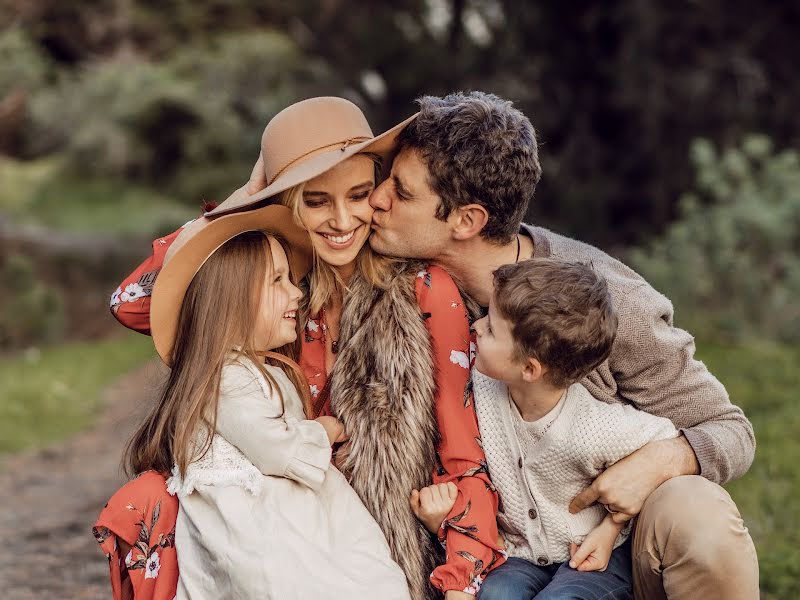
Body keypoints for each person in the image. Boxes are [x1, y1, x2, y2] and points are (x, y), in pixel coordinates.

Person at [101, 97, 505, 600]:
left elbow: (463, 453)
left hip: (372, 527)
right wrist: (243, 200)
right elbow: (132, 303)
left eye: (358, 195)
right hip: (274, 519)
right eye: (316, 201)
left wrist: (460, 578)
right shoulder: (270, 291)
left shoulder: (423, 289)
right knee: (146, 500)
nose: (341, 220)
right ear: (288, 203)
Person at [365, 91, 759, 599]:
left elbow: (731, 431)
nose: (376, 200)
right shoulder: (391, 290)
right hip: (495, 554)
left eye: (401, 192)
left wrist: (655, 464)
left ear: (467, 221)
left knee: (698, 518)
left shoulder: (604, 300)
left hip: (614, 556)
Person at [97, 203, 410, 599]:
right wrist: (324, 430)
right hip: (260, 540)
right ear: (231, 299)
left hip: (292, 525)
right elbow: (275, 448)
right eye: (278, 280)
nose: (297, 293)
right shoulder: (225, 376)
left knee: (368, 574)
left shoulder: (257, 369)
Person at [431, 258, 684, 599]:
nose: (476, 328)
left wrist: (610, 528)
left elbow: (665, 441)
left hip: (592, 556)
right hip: (518, 555)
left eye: (491, 329)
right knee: (495, 596)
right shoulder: (479, 387)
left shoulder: (594, 427)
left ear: (530, 368)